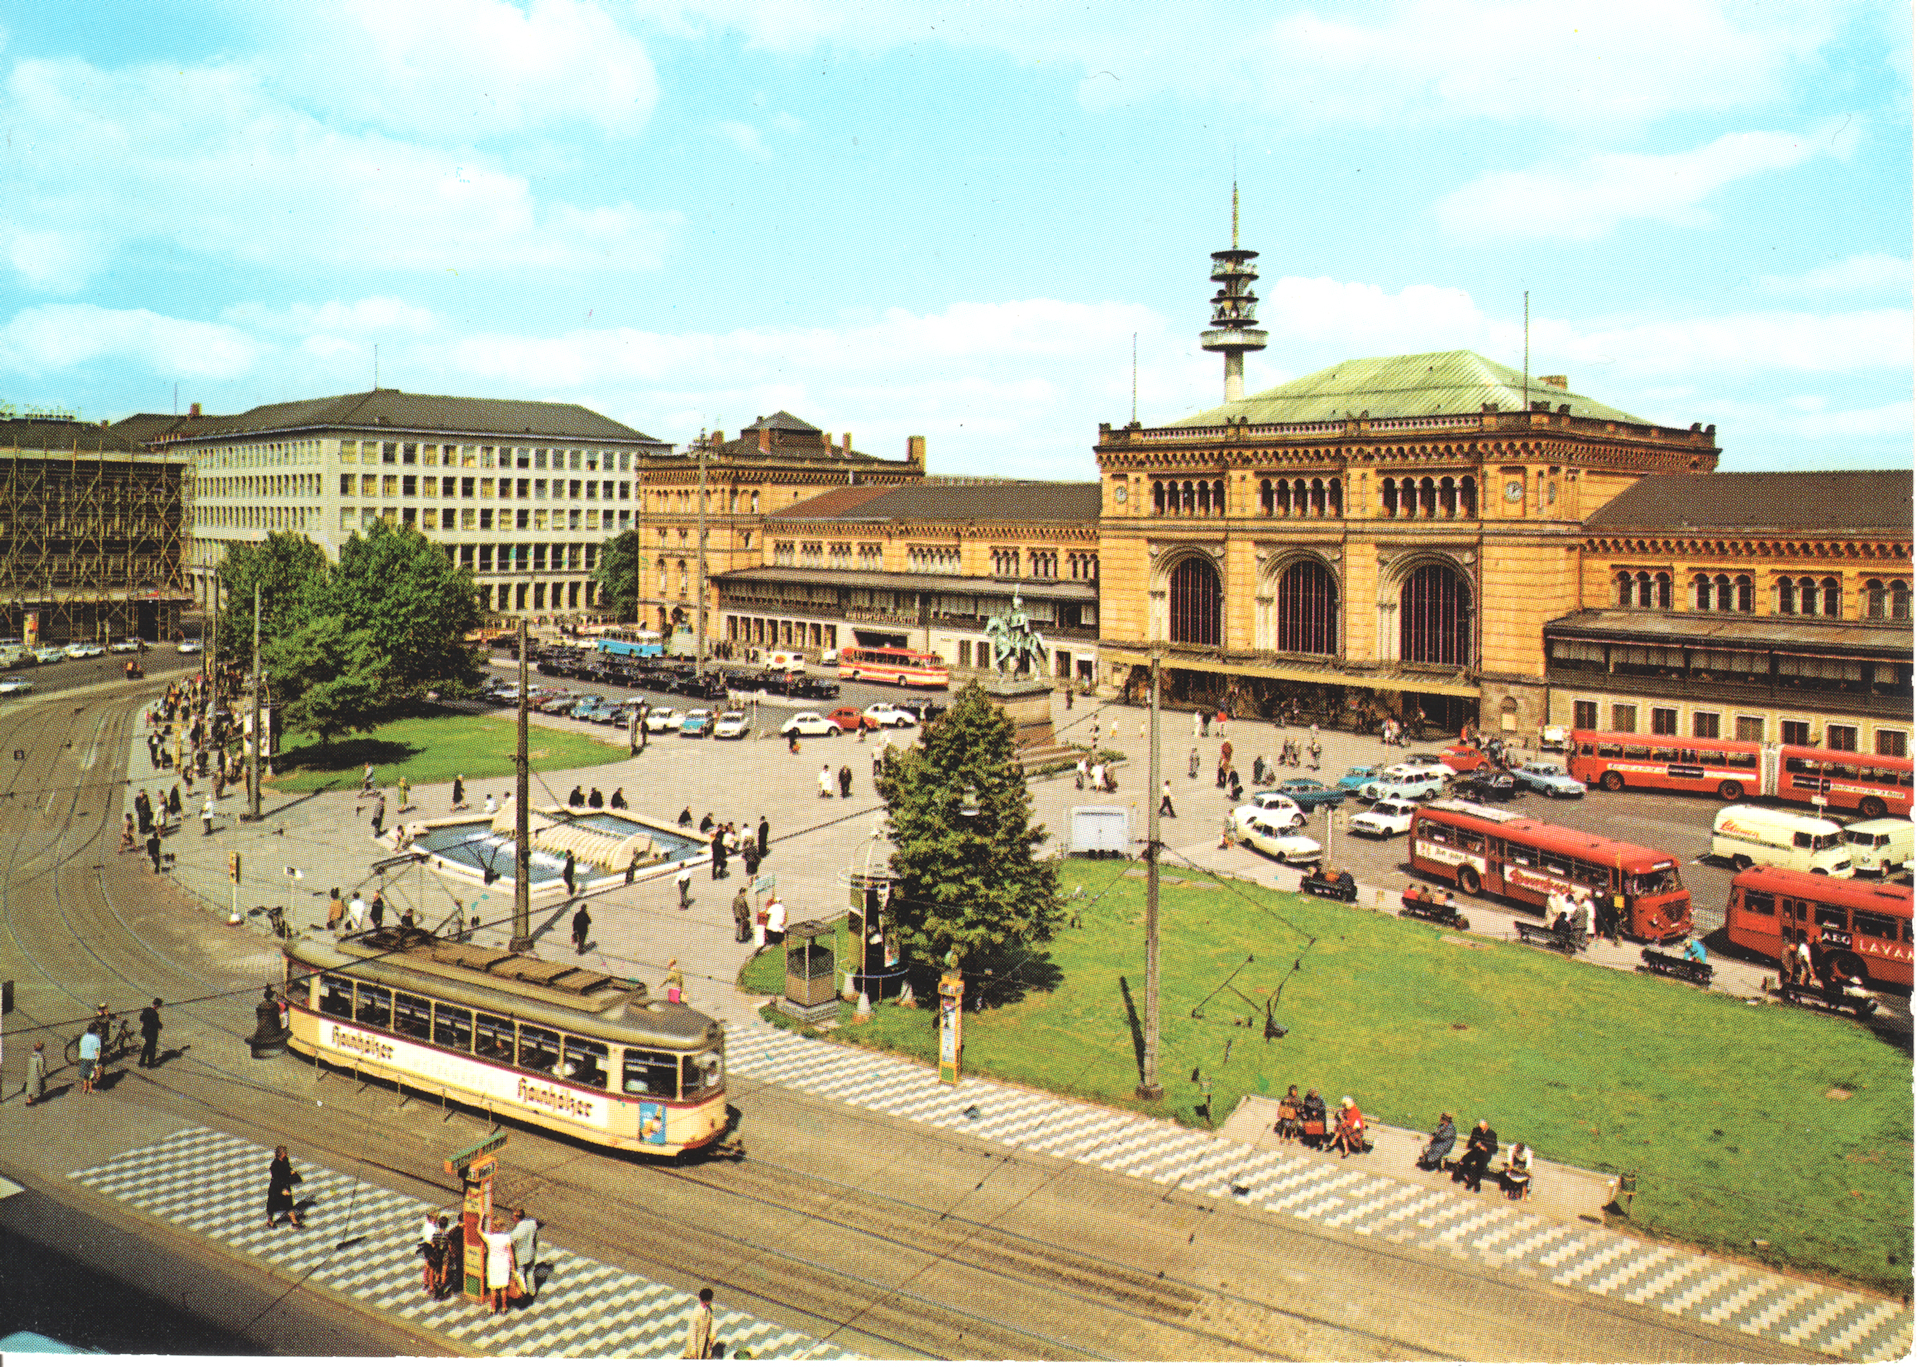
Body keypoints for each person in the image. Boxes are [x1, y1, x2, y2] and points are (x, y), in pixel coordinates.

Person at [482, 1216, 515, 1313]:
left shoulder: (490, 1238)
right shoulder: (506, 1237)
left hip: (493, 1265)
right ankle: (504, 1307)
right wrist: (513, 1267)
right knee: (504, 1288)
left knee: (493, 1289)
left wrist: (481, 1218)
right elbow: (511, 1253)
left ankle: (493, 1308)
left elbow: (479, 1230)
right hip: (504, 1264)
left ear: (493, 1226)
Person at [1456, 1119, 1499, 1192]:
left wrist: (1485, 1148)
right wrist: (1476, 1144)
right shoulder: (1476, 1131)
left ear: (1486, 1127)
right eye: (1480, 1128)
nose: (1481, 1130)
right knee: (1465, 1160)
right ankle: (1471, 1180)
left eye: (1483, 1128)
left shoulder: (1492, 1134)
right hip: (1475, 1152)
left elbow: (1494, 1150)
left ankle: (1475, 1182)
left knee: (1480, 1165)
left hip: (1485, 1154)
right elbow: (1470, 1144)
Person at [265, 1145, 303, 1228]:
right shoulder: (275, 1165)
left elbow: (288, 1168)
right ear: (280, 1154)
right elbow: (276, 1179)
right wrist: (282, 1190)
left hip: (285, 1185)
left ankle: (294, 1222)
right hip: (276, 1188)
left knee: (289, 1204)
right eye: (284, 1153)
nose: (286, 1154)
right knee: (272, 1206)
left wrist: (291, 1172)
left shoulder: (285, 1160)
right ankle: (270, 1221)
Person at [510, 1207, 540, 1302]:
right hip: (531, 1252)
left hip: (521, 1256)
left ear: (516, 1218)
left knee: (521, 1275)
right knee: (530, 1273)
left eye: (513, 1216)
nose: (512, 1218)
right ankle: (532, 1292)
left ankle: (524, 1293)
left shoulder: (516, 1232)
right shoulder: (532, 1223)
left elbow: (511, 1244)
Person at [683, 1287, 716, 1360]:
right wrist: (693, 1349)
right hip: (696, 1344)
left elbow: (711, 1322)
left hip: (704, 1342)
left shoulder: (709, 1309)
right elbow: (692, 1332)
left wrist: (712, 1334)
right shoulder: (696, 1313)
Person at [76, 1022, 102, 1095]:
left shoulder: (84, 1036)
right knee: (91, 1074)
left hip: (83, 1056)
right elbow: (97, 1049)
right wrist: (97, 1058)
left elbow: (80, 1045)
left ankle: (85, 1088)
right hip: (91, 1057)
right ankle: (90, 1089)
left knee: (85, 1073)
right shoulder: (96, 1037)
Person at [138, 997, 163, 1068]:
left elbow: (141, 1019)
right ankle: (150, 1063)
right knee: (152, 1048)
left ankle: (141, 1062)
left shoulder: (146, 1010)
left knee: (146, 1046)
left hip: (145, 1031)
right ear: (158, 1005)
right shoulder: (154, 1013)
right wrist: (160, 1025)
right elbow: (156, 1023)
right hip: (152, 1032)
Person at [25, 1041, 47, 1106]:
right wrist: (43, 1074)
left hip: (30, 1073)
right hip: (37, 1074)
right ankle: (40, 1098)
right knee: (39, 1086)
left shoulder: (32, 1055)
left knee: (30, 1087)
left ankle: (29, 1099)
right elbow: (41, 1067)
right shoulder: (40, 1056)